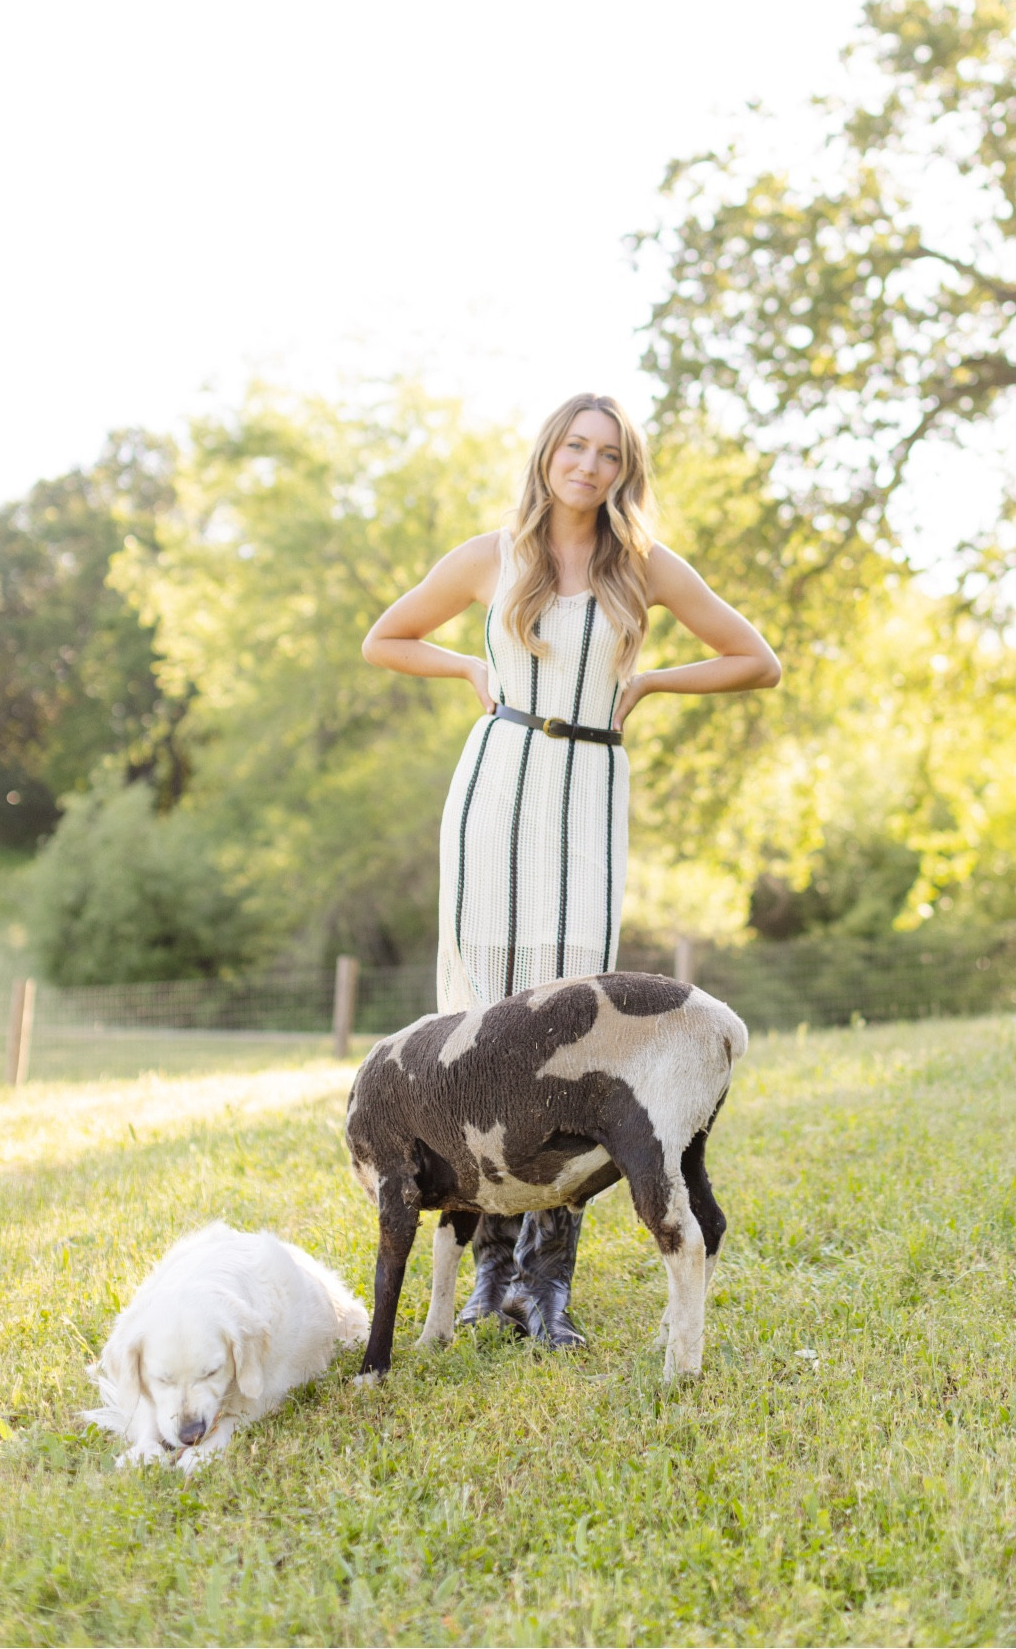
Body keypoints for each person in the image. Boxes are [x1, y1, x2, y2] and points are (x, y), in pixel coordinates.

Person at [361, 392, 780, 1347]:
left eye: (607, 455)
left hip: (588, 793)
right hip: (497, 787)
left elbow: (758, 661)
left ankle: (547, 1285)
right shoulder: (489, 555)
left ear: (622, 471)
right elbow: (383, 638)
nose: (587, 467)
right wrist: (469, 671)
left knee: (568, 1029)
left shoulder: (646, 568)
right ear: (548, 454)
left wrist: (654, 682)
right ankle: (487, 1272)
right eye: (574, 448)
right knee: (482, 1021)